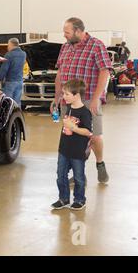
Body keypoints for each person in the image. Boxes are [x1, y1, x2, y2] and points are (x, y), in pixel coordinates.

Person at [52, 17, 111, 183]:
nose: (64, 35)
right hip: (67, 101)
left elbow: (104, 72)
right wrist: (57, 96)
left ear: (78, 31)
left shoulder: (96, 45)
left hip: (88, 101)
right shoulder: (65, 47)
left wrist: (95, 98)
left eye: (67, 32)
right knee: (72, 137)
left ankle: (100, 164)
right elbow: (60, 73)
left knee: (94, 136)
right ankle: (79, 173)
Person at [51, 79, 92, 211]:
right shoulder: (68, 108)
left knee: (79, 178)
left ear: (77, 95)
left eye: (66, 94)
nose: (63, 97)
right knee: (61, 175)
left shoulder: (85, 113)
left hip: (77, 151)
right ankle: (63, 198)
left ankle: (80, 200)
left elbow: (87, 132)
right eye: (63, 94)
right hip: (64, 149)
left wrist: (73, 128)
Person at [0, 38, 26, 107]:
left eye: (8, 45)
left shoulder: (9, 55)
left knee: (8, 102)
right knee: (17, 102)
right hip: (19, 81)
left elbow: (4, 69)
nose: (7, 47)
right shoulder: (23, 54)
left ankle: (8, 117)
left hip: (10, 81)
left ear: (11, 45)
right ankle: (16, 116)